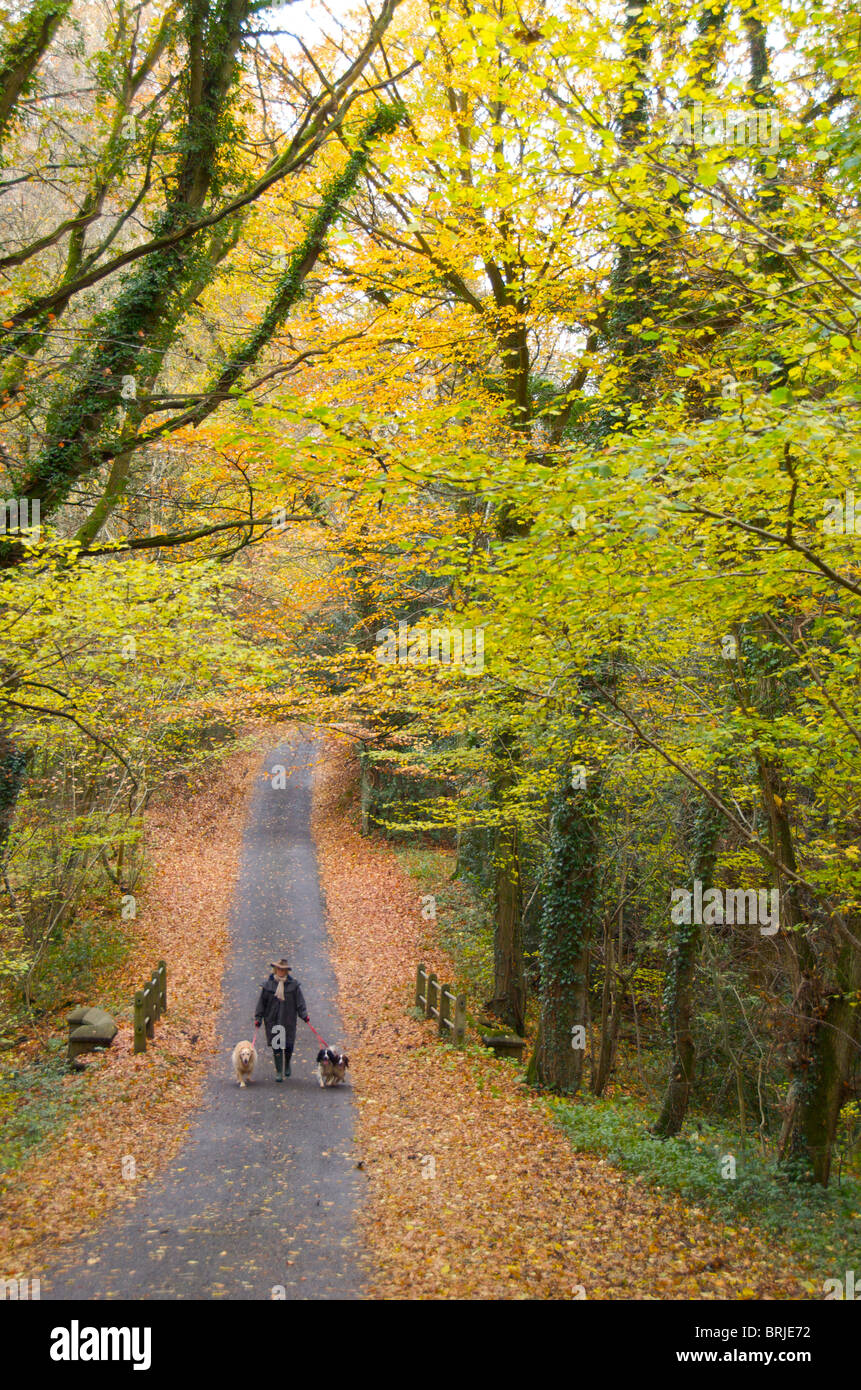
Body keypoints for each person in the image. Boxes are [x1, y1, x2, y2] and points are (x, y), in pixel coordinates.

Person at [254, 957, 309, 1081]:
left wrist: (304, 1015)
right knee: (276, 1045)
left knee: (288, 1045)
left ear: (286, 971)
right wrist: (258, 1017)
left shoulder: (293, 986)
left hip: (288, 1019)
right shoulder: (268, 985)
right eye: (279, 969)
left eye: (283, 970)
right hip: (273, 1020)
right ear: (275, 969)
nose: (280, 971)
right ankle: (279, 1071)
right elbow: (261, 1003)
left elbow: (300, 1002)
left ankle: (287, 1064)